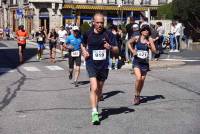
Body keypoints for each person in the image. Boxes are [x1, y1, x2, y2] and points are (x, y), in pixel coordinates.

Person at [81, 13, 118, 125]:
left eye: (101, 22)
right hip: (91, 63)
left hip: (103, 65)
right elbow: (82, 44)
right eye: (97, 22)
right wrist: (84, 51)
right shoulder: (88, 33)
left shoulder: (108, 34)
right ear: (93, 22)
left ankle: (95, 103)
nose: (100, 24)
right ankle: (94, 112)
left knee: (99, 90)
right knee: (94, 87)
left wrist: (110, 47)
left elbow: (117, 50)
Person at [128, 25, 157, 105]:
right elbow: (128, 43)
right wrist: (133, 50)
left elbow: (154, 51)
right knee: (138, 78)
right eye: (144, 30)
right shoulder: (137, 38)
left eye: (148, 30)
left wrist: (150, 46)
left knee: (142, 80)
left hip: (145, 63)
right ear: (141, 31)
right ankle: (136, 95)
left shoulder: (150, 39)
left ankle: (138, 95)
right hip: (137, 61)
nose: (146, 31)